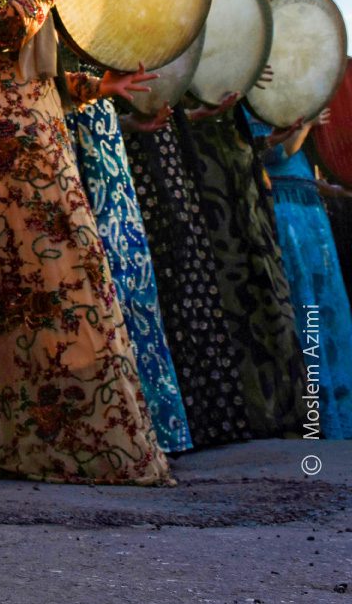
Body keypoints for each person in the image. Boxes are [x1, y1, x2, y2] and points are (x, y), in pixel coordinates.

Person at [0, 0, 173, 484]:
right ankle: (46, 437)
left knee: (55, 271)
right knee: (36, 272)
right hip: (0, 125)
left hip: (33, 116)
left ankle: (58, 432)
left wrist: (100, 87)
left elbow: (38, 68)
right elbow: (3, 33)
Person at [64, 78, 193, 455]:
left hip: (107, 153)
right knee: (101, 286)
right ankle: (120, 429)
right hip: (73, 154)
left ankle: (154, 425)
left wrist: (130, 123)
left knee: (134, 287)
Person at [119, 103, 252, 450]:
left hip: (167, 158)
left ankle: (209, 418)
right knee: (164, 289)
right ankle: (180, 423)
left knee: (191, 283)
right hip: (136, 161)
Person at [185, 92, 307, 437]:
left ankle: (288, 411)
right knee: (231, 299)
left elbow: (246, 147)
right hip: (208, 186)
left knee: (268, 294)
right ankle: (251, 413)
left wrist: (268, 140)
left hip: (245, 190)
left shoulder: (236, 94)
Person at [246, 107, 352, 438]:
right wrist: (305, 120)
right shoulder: (258, 105)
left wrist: (331, 189)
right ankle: (315, 415)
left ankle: (338, 412)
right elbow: (277, 154)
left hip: (306, 209)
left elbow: (298, 167)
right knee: (307, 310)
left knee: (328, 313)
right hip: (287, 211)